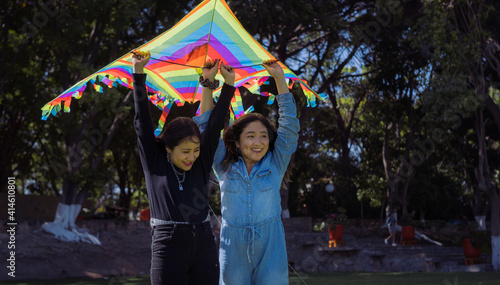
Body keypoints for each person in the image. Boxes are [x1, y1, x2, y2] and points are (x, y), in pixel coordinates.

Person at [132, 51, 235, 285]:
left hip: (204, 243)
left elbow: (215, 123)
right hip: (168, 245)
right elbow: (142, 123)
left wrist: (228, 84)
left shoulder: (200, 160)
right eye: (185, 152)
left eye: (196, 150)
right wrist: (138, 73)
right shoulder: (154, 161)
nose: (192, 157)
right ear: (168, 148)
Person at [196, 60, 299, 285]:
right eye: (250, 136)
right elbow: (207, 129)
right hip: (232, 247)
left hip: (271, 247)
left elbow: (289, 126)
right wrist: (208, 83)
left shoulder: (276, 162)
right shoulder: (223, 164)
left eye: (263, 136)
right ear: (237, 141)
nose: (258, 142)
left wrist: (279, 79)